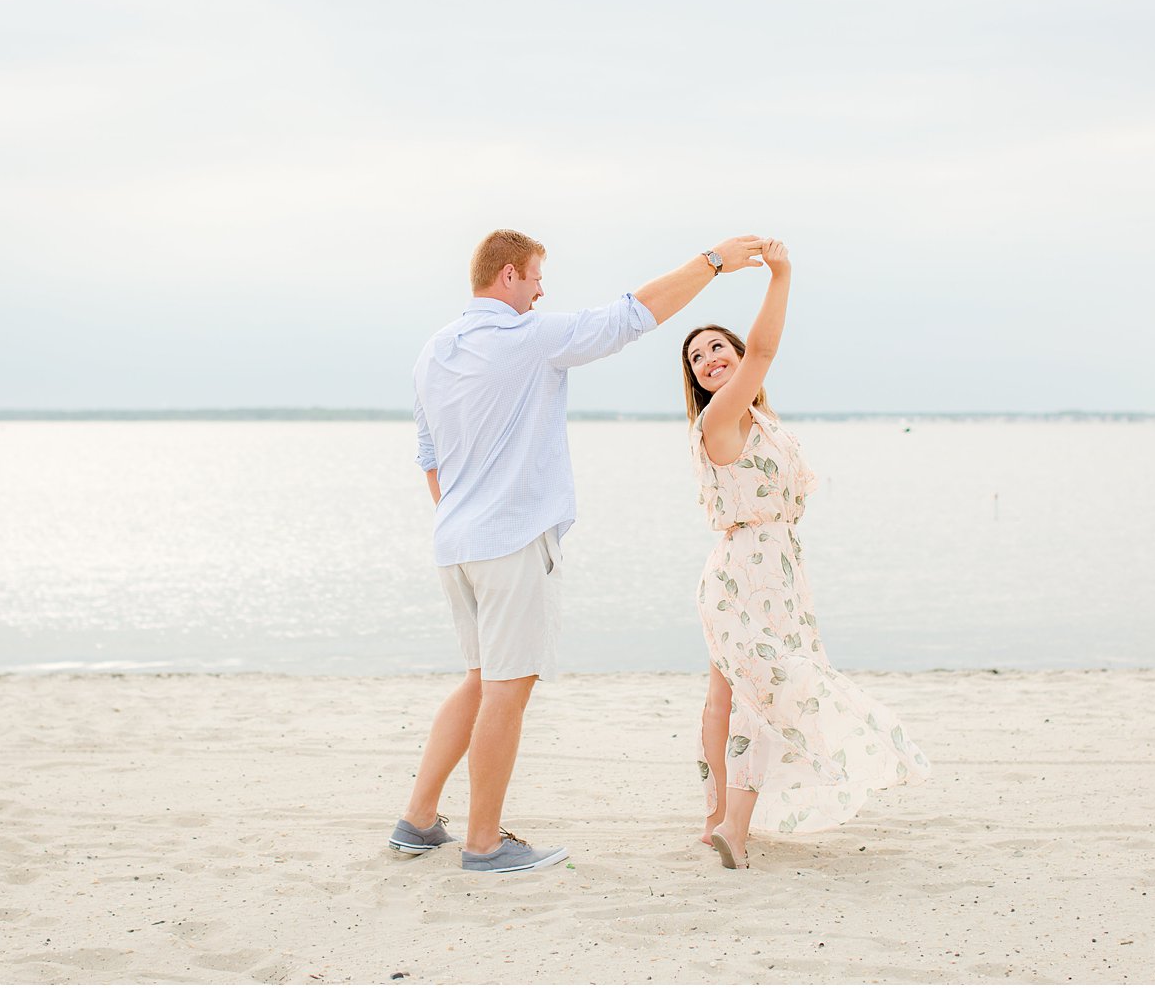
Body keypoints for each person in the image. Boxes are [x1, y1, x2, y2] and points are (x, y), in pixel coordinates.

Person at [391, 228, 766, 875]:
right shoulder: (528, 338)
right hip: (509, 543)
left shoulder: (433, 352)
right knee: (507, 688)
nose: (543, 290)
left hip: (456, 543)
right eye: (537, 276)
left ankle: (419, 821)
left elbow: (430, 463)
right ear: (508, 276)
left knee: (482, 681)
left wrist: (468, 518)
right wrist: (712, 263)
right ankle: (483, 843)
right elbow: (631, 316)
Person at [680, 239, 932, 870]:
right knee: (758, 695)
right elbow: (765, 350)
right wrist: (783, 273)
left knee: (731, 694)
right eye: (696, 357)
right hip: (742, 576)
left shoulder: (762, 424)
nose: (709, 359)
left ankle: (716, 817)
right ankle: (731, 828)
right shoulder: (721, 418)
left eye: (717, 347)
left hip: (778, 574)